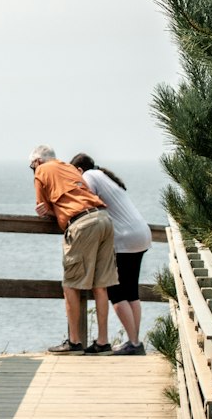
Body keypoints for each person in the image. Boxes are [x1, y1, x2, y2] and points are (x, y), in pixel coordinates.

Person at [29, 144, 119, 355]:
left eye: (31, 166)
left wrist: (48, 210)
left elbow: (42, 208)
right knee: (100, 285)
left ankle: (74, 341)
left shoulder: (41, 171)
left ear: (37, 162)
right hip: (103, 219)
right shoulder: (70, 168)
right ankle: (103, 341)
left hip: (81, 224)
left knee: (71, 284)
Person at [70, 154, 152, 355]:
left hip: (124, 238)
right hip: (141, 233)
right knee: (131, 292)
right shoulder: (103, 176)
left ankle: (134, 343)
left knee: (116, 293)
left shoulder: (89, 176)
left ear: (79, 170)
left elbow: (83, 202)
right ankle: (134, 341)